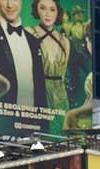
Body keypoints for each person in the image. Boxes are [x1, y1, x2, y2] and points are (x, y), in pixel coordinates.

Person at [25, 0, 69, 134]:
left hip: (60, 96)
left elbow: (63, 73)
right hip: (37, 91)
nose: (47, 14)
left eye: (52, 9)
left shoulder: (64, 41)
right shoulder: (28, 32)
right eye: (43, 8)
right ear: (37, 10)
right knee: (39, 135)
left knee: (61, 138)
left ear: (57, 13)